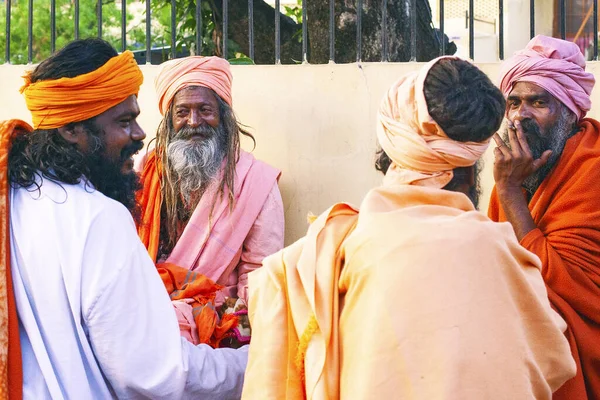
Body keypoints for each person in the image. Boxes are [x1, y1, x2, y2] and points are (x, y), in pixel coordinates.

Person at [241, 57, 576, 399]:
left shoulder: (325, 256)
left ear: (391, 146)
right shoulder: (503, 252)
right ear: (475, 163)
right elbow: (552, 361)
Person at [1, 38, 247, 399]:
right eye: (124, 121)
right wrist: (251, 363)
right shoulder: (98, 219)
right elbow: (157, 376)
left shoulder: (13, 195)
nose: (139, 134)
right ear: (71, 130)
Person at [489, 35, 600, 400]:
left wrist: (510, 195)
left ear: (570, 112)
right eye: (515, 102)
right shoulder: (512, 171)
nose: (522, 115)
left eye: (539, 102)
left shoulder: (593, 169)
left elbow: (575, 288)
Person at [137, 56, 284, 312]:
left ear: (223, 117)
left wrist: (243, 313)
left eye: (205, 111)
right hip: (146, 306)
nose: (193, 122)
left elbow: (259, 272)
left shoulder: (255, 182)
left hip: (214, 313)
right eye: (182, 112)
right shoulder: (144, 171)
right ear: (169, 120)